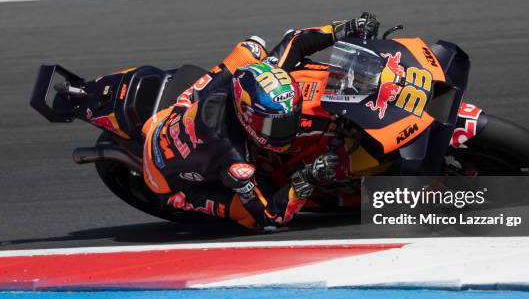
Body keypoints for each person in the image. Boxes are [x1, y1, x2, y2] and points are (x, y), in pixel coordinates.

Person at [141, 13, 380, 229]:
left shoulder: (262, 72)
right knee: (250, 219)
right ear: (248, 117)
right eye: (275, 125)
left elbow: (295, 40)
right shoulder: (236, 162)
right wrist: (306, 179)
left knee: (252, 49)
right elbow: (269, 216)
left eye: (291, 119)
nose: (289, 130)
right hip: (167, 179)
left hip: (183, 107)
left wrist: (345, 28)